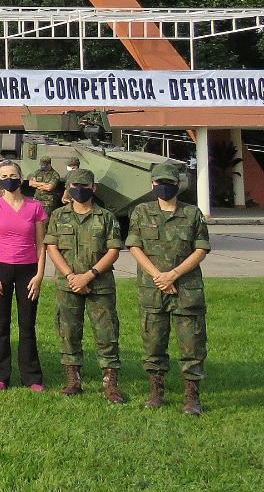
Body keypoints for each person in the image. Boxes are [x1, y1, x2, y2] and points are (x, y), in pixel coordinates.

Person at [126, 163, 211, 415]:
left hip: (186, 288)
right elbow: (134, 246)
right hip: (152, 289)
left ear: (178, 185)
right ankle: (156, 392)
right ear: (152, 185)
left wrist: (173, 275)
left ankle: (191, 397)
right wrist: (158, 276)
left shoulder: (192, 214)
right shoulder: (141, 212)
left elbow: (201, 248)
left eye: (169, 183)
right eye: (158, 182)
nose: (163, 187)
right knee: (153, 342)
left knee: (192, 344)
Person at [45, 168, 125, 403]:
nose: (79, 190)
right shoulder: (59, 216)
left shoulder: (106, 217)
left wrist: (87, 276)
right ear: (68, 188)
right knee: (68, 332)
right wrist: (71, 275)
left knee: (106, 333)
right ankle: (73, 380)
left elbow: (113, 250)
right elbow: (52, 247)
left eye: (84, 186)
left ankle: (110, 384)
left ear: (94, 188)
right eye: (75, 186)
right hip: (67, 284)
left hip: (99, 285)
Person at [0, 159, 47, 392]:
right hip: (0, 268)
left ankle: (31, 376)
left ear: (21, 178)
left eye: (13, 175)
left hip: (28, 270)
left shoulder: (35, 207)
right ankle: (0, 375)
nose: (9, 179)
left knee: (27, 324)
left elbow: (41, 245)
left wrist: (39, 275)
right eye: (4, 175)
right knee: (1, 324)